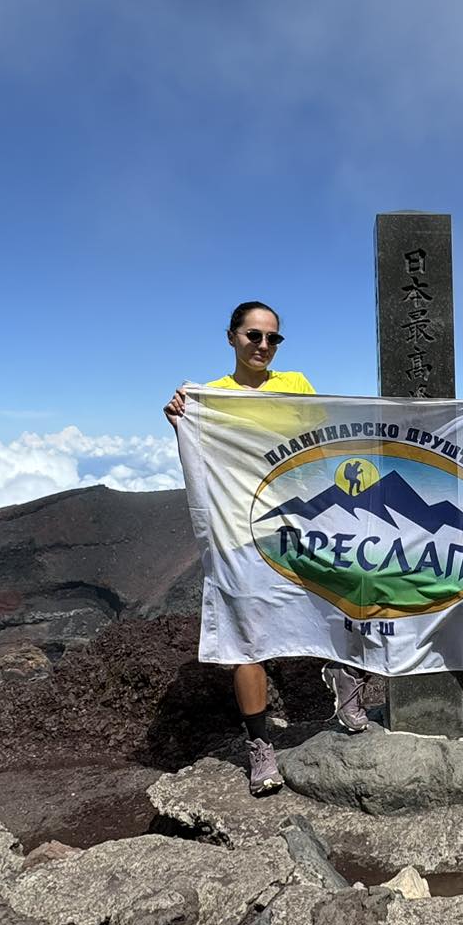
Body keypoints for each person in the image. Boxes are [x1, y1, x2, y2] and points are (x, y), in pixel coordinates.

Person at [166, 300, 369, 795]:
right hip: (240, 529)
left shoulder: (295, 385)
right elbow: (206, 460)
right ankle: (260, 745)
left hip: (301, 521)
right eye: (253, 335)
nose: (263, 346)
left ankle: (345, 679)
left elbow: (324, 437)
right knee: (246, 638)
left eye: (272, 338)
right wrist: (181, 420)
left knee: (348, 595)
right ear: (232, 337)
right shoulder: (210, 397)